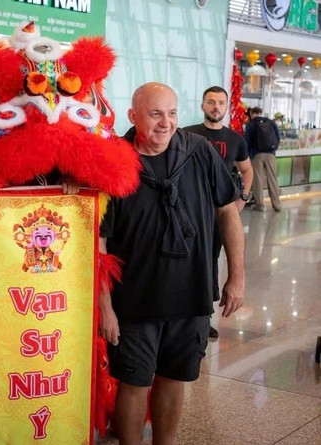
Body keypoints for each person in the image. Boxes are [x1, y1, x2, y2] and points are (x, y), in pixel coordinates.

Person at [99, 83, 245, 445]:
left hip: (190, 291)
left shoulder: (198, 152)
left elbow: (228, 212)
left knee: (175, 377)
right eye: (155, 114)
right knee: (134, 382)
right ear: (133, 116)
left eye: (172, 113)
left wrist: (237, 277)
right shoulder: (115, 159)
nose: (166, 123)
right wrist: (104, 307)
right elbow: (98, 241)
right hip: (133, 296)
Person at [185, 86, 252, 339]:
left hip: (220, 213)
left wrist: (242, 198)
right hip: (191, 212)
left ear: (227, 107)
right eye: (211, 102)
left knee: (210, 262)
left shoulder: (236, 140)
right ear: (202, 105)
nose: (216, 106)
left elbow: (247, 170)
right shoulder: (187, 134)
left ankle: (205, 317)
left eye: (221, 103)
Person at [245, 107, 281, 212]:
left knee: (258, 179)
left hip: (257, 155)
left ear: (252, 114)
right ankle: (276, 204)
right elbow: (277, 138)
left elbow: (247, 141)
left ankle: (260, 205)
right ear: (261, 113)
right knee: (272, 179)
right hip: (271, 154)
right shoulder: (271, 122)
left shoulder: (251, 125)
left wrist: (247, 155)